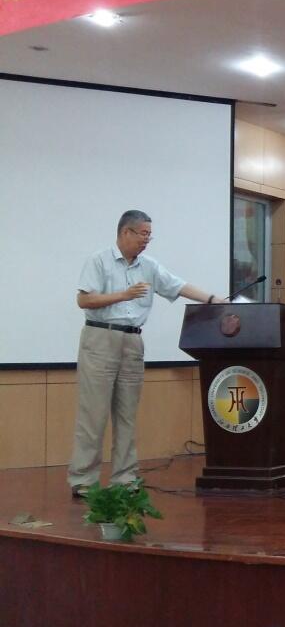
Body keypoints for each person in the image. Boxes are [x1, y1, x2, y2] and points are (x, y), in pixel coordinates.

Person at [69, 210, 227, 497]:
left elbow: (178, 285)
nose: (146, 240)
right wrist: (124, 295)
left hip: (132, 342)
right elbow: (84, 299)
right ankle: (83, 481)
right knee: (93, 415)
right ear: (125, 232)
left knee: (127, 414)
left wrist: (214, 299)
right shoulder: (99, 260)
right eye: (143, 234)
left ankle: (125, 478)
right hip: (101, 338)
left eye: (149, 236)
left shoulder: (149, 266)